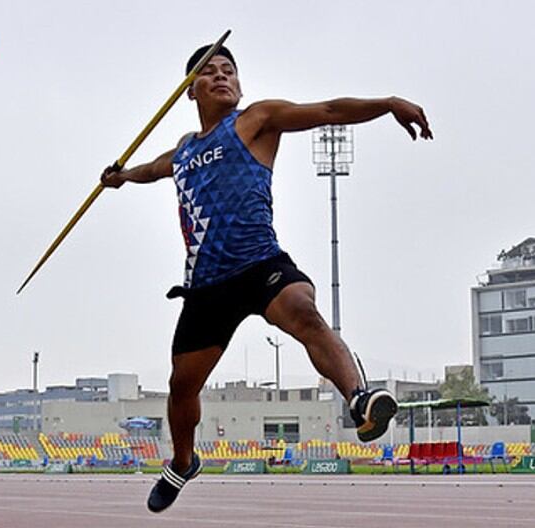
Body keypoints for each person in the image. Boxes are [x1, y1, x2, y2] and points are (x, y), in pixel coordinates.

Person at [100, 44, 432, 513]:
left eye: (229, 71)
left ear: (239, 84)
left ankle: (359, 399)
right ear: (189, 92)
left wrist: (387, 104)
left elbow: (329, 111)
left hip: (260, 264)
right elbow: (152, 170)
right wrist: (120, 178)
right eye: (208, 72)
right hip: (207, 285)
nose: (221, 77)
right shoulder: (183, 152)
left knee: (304, 311)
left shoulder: (256, 120)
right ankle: (182, 461)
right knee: (181, 388)